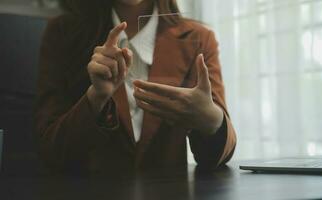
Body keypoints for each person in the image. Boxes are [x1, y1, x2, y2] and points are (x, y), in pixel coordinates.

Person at [35, 0, 237, 174]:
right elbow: (51, 152)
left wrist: (210, 119)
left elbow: (220, 154)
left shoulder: (199, 38)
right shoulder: (62, 34)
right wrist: (95, 98)